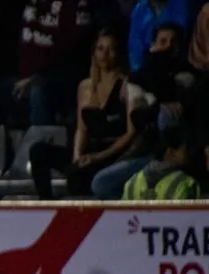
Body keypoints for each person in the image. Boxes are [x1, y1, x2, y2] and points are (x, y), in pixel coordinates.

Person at [29, 29, 148, 199]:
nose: (104, 54)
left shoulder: (127, 86)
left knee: (77, 181)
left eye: (110, 49)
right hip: (90, 151)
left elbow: (131, 134)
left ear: (119, 53)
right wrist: (77, 159)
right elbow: (81, 130)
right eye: (100, 49)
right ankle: (45, 203)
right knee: (38, 151)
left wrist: (97, 157)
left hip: (112, 154)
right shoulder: (84, 86)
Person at [121, 125, 201, 199]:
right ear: (171, 152)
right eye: (185, 149)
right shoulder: (185, 183)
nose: (189, 153)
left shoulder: (132, 183)